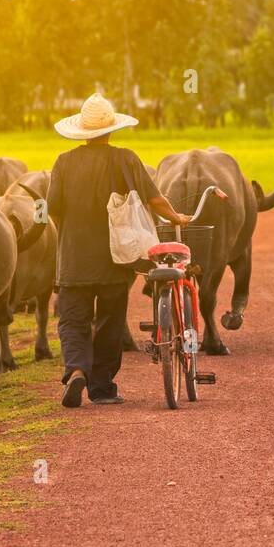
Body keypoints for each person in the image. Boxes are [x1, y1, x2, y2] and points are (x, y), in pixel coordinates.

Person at [47, 93, 190, 407]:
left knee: (72, 320)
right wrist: (176, 216)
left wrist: (70, 237)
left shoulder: (64, 162)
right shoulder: (126, 158)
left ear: (82, 132)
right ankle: (101, 388)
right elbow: (154, 200)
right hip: (116, 257)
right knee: (111, 320)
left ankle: (75, 371)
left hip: (74, 258)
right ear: (111, 130)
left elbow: (53, 210)